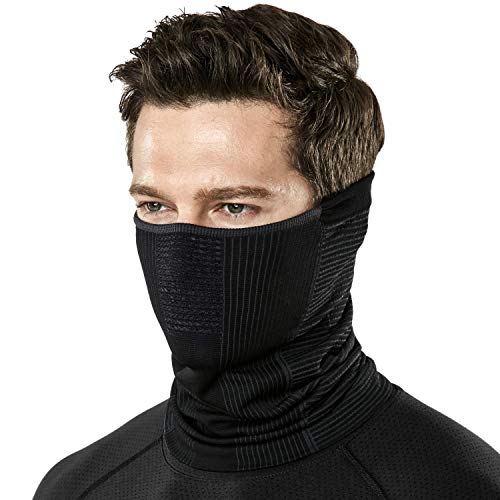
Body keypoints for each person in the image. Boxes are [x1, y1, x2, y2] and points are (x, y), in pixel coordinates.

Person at [33, 4, 500, 499]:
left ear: (341, 220)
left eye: (234, 207)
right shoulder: (78, 487)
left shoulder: (458, 487)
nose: (182, 250)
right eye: (156, 206)